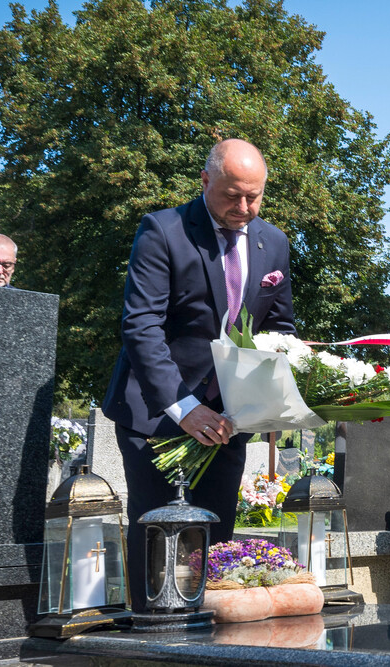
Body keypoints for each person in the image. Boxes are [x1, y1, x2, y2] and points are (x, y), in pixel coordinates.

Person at [101, 138, 296, 606]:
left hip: (227, 423)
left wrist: (263, 402)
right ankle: (151, 643)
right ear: (205, 181)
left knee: (215, 548)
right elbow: (141, 324)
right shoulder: (163, 230)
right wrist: (184, 408)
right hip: (157, 417)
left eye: (254, 196)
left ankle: (207, 642)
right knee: (159, 547)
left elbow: (278, 330)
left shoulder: (274, 243)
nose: (244, 207)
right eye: (232, 195)